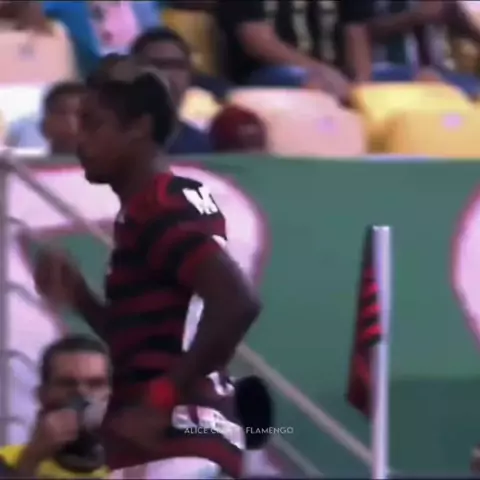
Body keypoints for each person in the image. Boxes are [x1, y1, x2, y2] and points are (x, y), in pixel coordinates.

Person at [33, 68, 262, 478]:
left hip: (180, 440)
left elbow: (237, 303)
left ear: (138, 127)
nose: (80, 139)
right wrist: (81, 297)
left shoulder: (162, 203)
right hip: (176, 440)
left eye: (94, 124)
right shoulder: (151, 207)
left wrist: (160, 400)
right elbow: (150, 341)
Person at [0, 335, 111, 479]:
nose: (83, 394)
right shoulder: (6, 460)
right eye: (67, 384)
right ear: (42, 395)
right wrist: (31, 459)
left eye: (95, 384)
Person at [215, 0, 373, 98]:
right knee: (314, 84)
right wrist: (320, 71)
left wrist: (362, 84)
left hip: (337, 72)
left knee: (386, 82)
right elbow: (256, 39)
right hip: (265, 71)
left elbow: (355, 31)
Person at [131, 27, 215, 154]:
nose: (168, 75)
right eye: (157, 65)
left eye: (178, 66)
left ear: (190, 76)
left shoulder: (202, 146)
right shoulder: (113, 141)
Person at [42, 1, 162, 76]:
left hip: (139, 84)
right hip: (88, 85)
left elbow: (154, 45)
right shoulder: (63, 6)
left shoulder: (143, 5)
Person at [6, 81, 85, 154]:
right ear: (44, 125)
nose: (72, 123)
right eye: (62, 113)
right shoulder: (21, 163)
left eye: (83, 115)